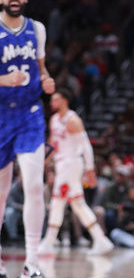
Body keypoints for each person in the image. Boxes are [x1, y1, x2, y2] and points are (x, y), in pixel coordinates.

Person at [0, 0, 56, 278]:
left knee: (35, 186)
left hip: (30, 114)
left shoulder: (37, 29)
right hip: (0, 114)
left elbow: (43, 67)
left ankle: (31, 261)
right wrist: (3, 80)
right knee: (1, 193)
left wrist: (47, 80)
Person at [38, 89, 114, 256]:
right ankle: (101, 239)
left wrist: (90, 170)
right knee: (77, 204)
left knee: (58, 202)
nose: (52, 102)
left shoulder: (72, 120)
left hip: (72, 163)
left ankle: (49, 242)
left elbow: (86, 146)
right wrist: (43, 159)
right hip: (61, 164)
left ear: (65, 101)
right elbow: (53, 142)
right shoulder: (54, 119)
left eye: (55, 99)